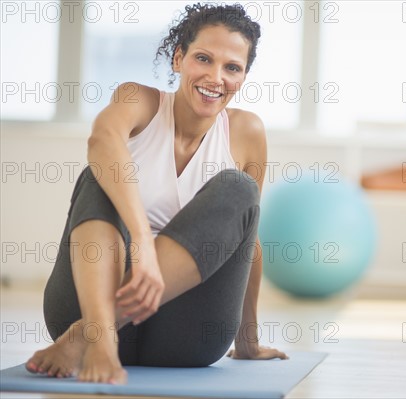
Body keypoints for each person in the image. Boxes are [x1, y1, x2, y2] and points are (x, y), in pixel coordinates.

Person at [25, 3, 288, 385]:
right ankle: (98, 331)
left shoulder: (247, 132)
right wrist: (142, 243)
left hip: (186, 334)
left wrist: (248, 340)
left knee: (240, 188)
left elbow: (247, 239)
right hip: (85, 304)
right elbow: (102, 139)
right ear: (179, 58)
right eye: (203, 58)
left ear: (243, 76)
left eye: (232, 67)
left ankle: (88, 335)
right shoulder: (139, 100)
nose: (216, 77)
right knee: (101, 171)